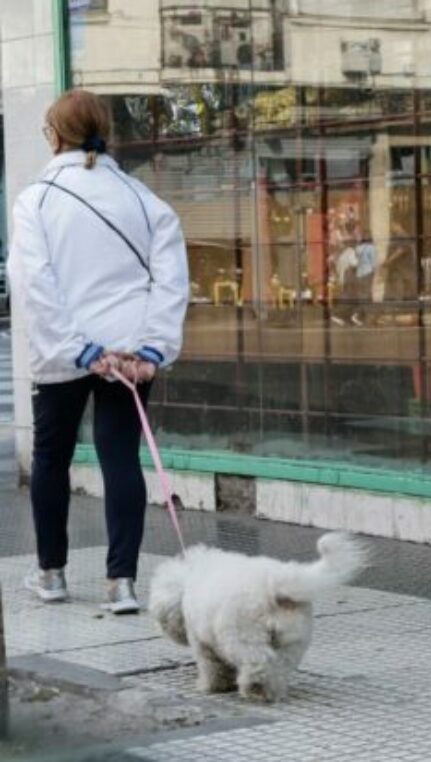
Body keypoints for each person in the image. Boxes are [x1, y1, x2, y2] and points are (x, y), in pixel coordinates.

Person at [6, 89, 189, 614]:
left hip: (64, 353)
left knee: (50, 458)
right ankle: (122, 583)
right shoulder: (141, 198)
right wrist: (153, 347)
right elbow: (171, 278)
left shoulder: (36, 199)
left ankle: (52, 574)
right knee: (120, 458)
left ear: (53, 135)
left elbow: (33, 282)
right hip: (131, 353)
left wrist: (79, 349)